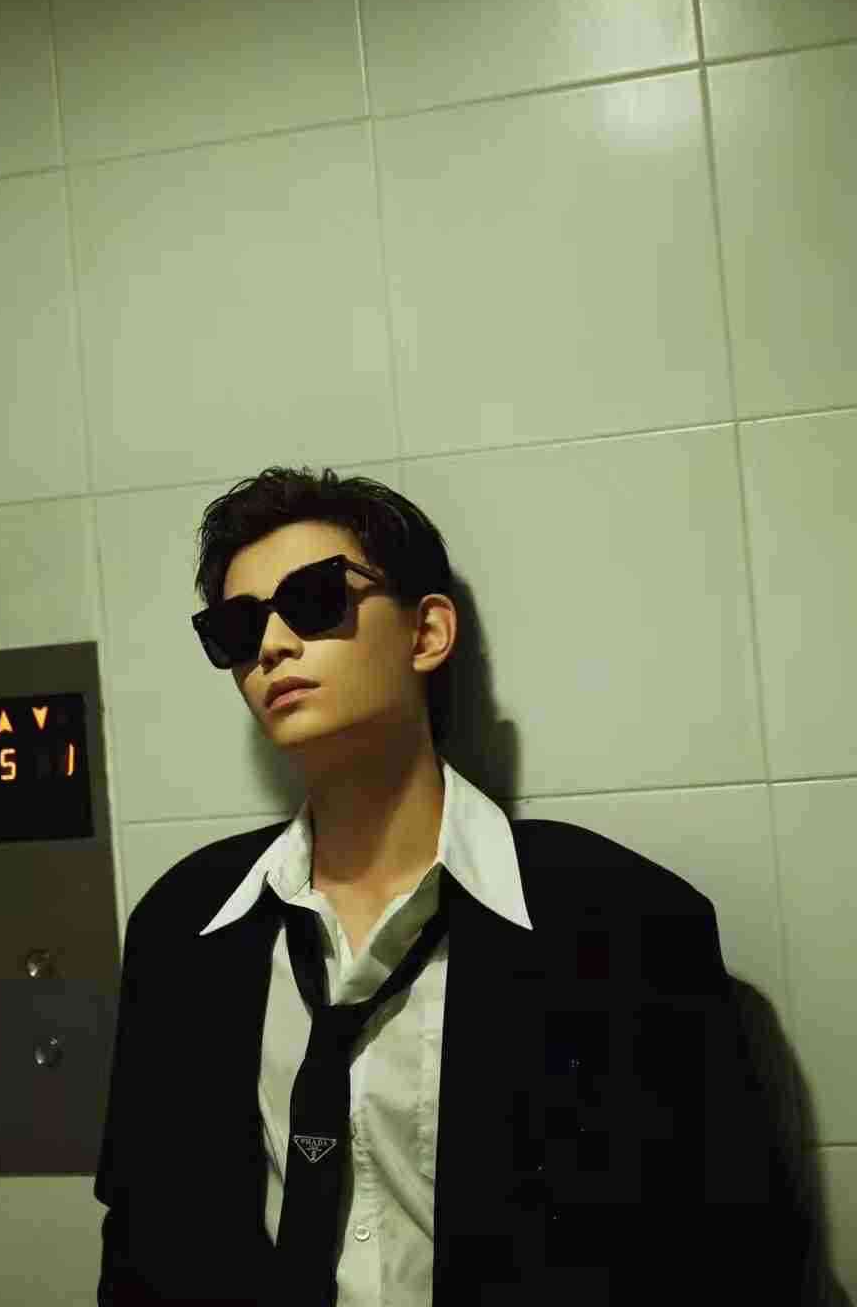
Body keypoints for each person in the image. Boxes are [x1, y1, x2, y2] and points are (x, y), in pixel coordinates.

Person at [93, 466, 823, 1307]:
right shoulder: (183, 925)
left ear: (428, 632)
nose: (272, 646)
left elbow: (733, 1257)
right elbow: (143, 1244)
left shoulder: (626, 922)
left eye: (314, 599)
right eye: (238, 625)